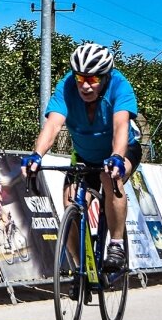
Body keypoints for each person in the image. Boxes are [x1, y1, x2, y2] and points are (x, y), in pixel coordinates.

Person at [21, 42, 142, 270]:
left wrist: (116, 156)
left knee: (110, 177)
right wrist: (37, 155)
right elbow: (53, 125)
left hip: (121, 151)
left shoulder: (120, 85)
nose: (85, 86)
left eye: (93, 80)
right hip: (85, 156)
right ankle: (80, 267)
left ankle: (116, 245)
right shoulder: (66, 86)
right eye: (80, 78)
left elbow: (120, 126)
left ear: (105, 78)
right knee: (70, 205)